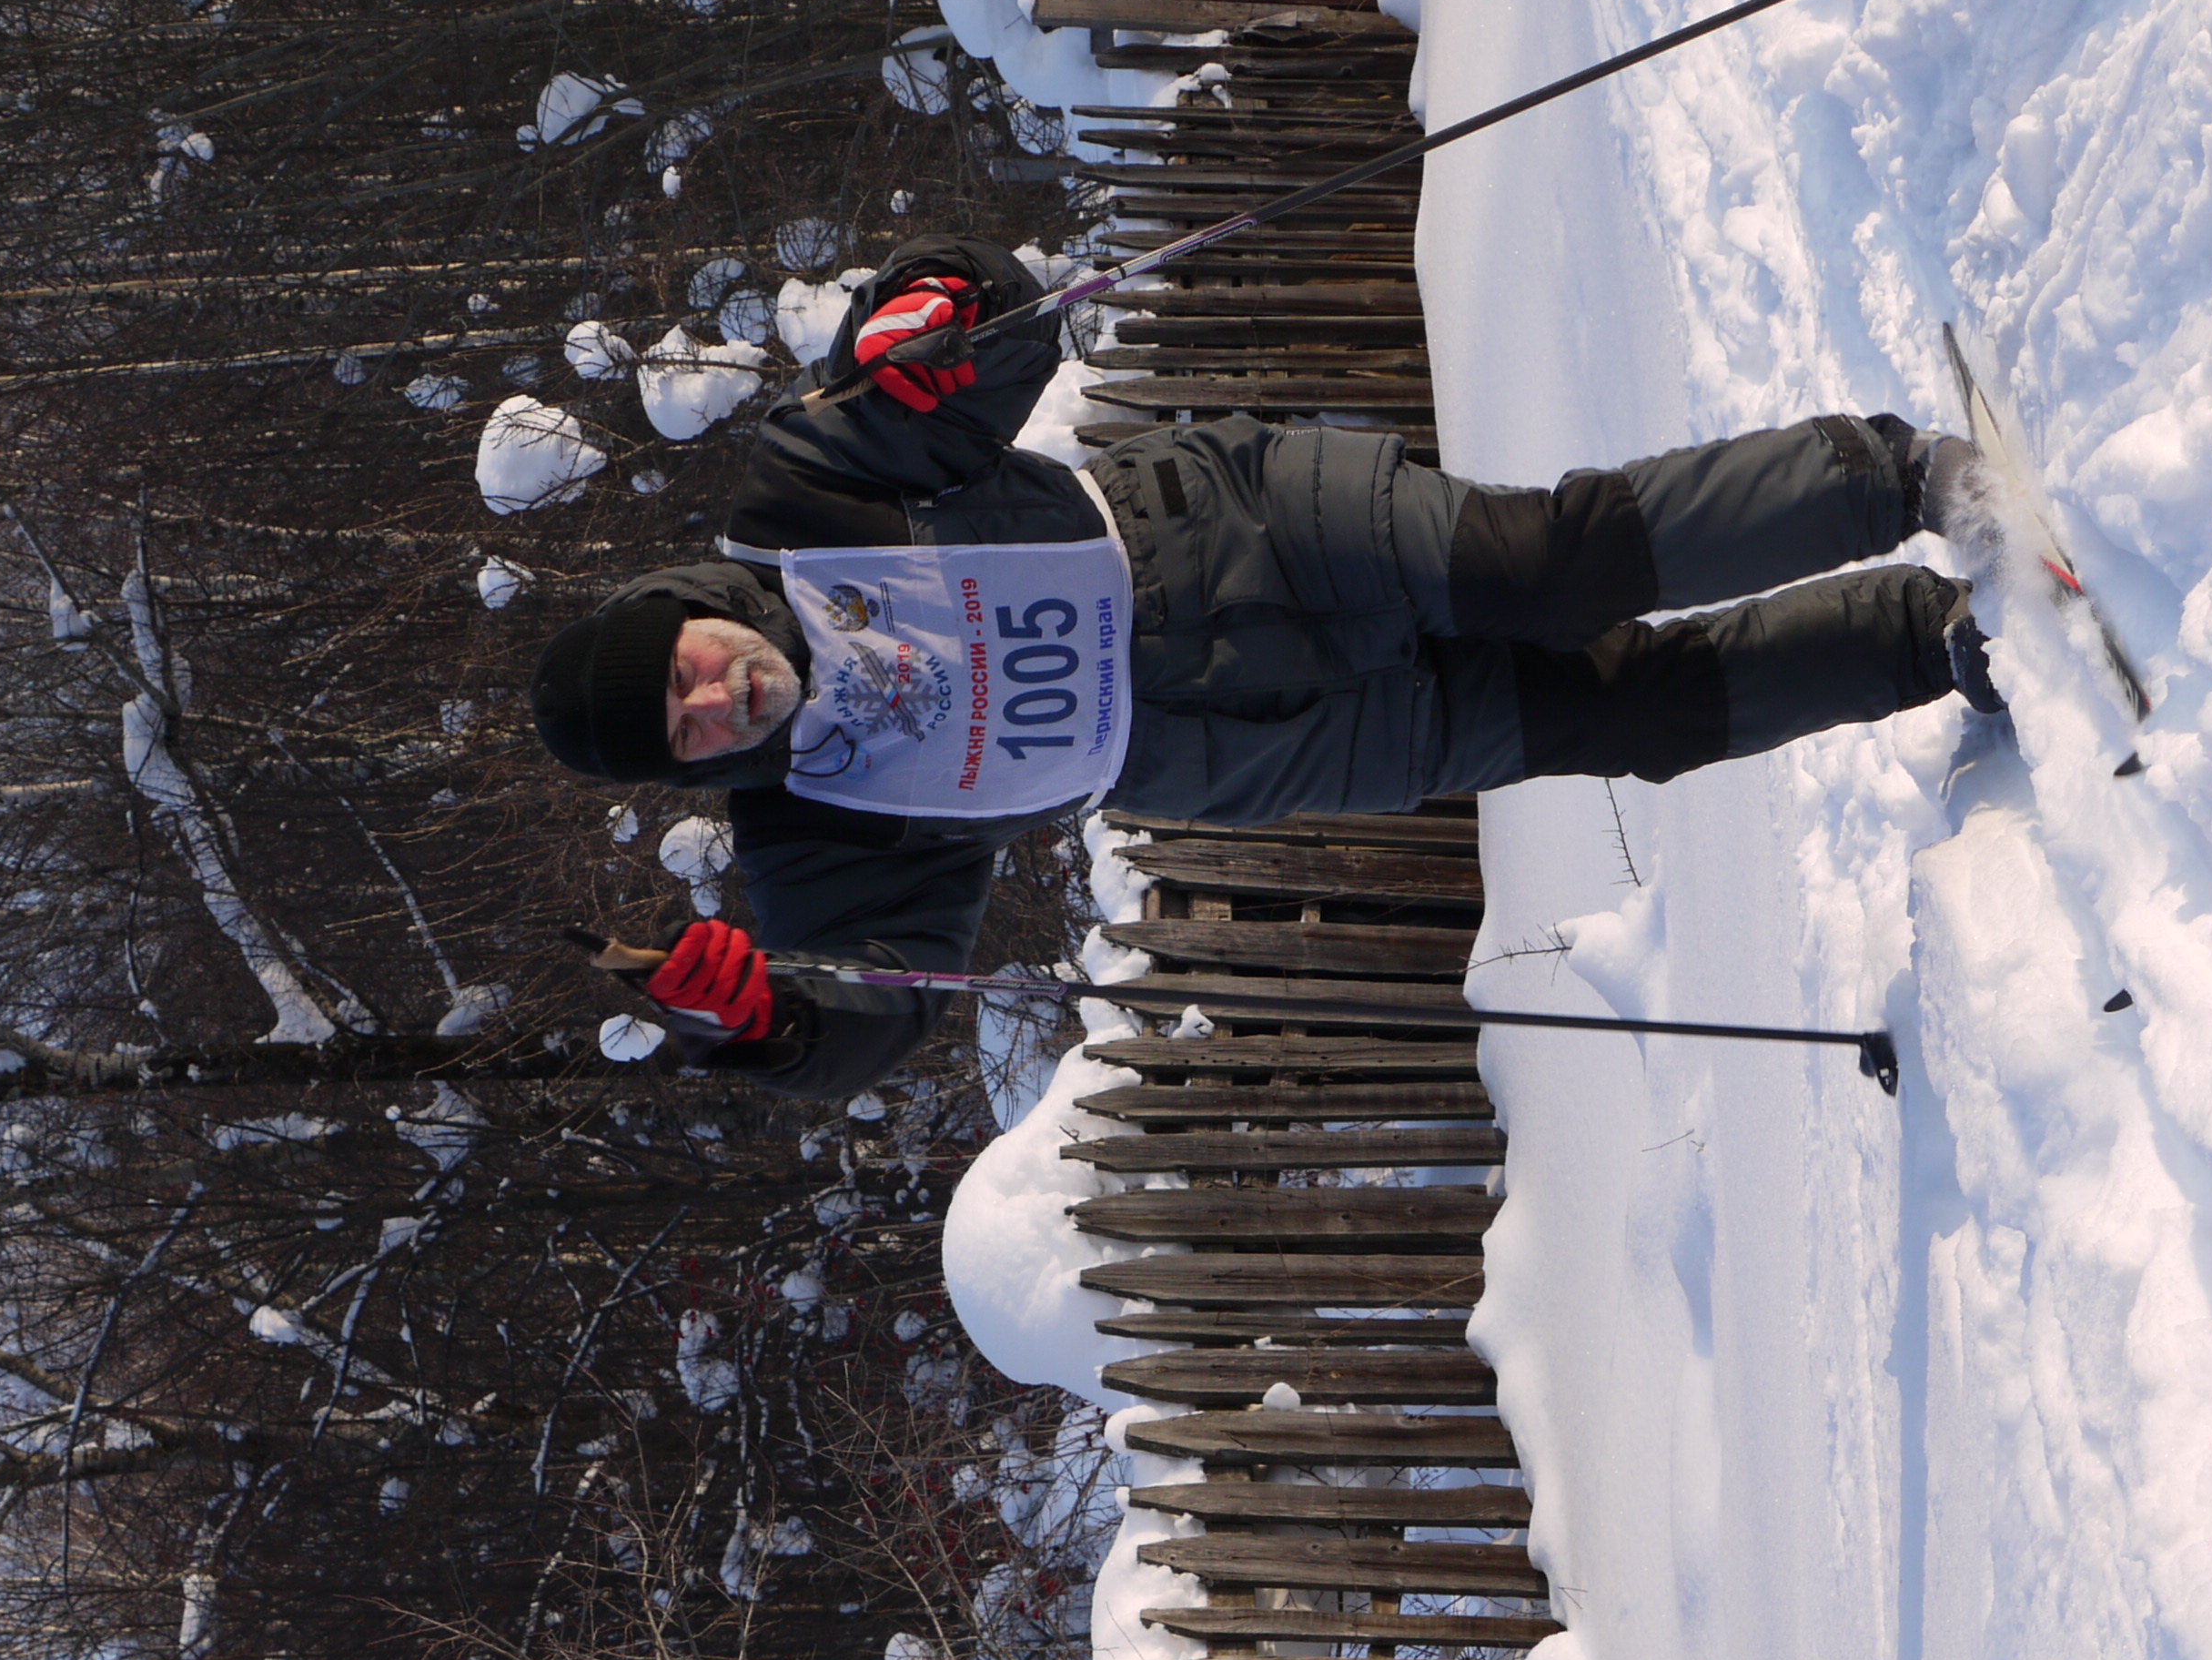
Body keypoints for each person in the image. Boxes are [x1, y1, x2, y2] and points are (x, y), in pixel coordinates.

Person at [532, 234, 2000, 1098]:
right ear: (701, 769)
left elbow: (983, 322)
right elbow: (878, 1001)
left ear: (683, 609)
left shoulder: (805, 499)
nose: (716, 694)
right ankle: (1931, 643)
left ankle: (1894, 477)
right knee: (1628, 712)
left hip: (1238, 533)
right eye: (687, 728)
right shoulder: (816, 841)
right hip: (1255, 745)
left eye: (683, 665)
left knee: (1545, 569)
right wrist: (775, 1027)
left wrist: (935, 321)